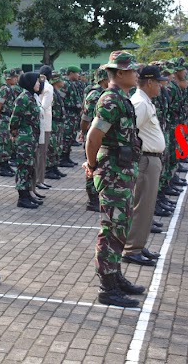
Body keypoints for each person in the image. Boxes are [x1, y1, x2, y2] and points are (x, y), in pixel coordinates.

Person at [83, 51, 144, 307]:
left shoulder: (122, 98)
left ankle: (115, 274)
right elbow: (93, 136)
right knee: (111, 229)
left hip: (122, 171)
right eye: (132, 70)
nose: (137, 74)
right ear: (120, 73)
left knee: (120, 226)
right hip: (113, 172)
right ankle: (107, 288)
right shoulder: (110, 100)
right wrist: (93, 164)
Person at [122, 64, 167, 266]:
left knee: (146, 207)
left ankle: (138, 245)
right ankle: (132, 249)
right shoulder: (139, 103)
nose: (161, 86)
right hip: (146, 160)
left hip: (152, 159)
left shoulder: (145, 101)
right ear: (149, 82)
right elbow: (130, 132)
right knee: (141, 206)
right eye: (158, 82)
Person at [9, 72, 42, 209]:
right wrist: (14, 132)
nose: (39, 84)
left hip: (31, 138)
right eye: (36, 81)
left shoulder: (31, 97)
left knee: (29, 167)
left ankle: (27, 194)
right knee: (23, 167)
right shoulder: (23, 98)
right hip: (24, 138)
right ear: (29, 83)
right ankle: (22, 197)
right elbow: (14, 118)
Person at [80, 66, 109, 211]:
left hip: (104, 136)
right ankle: (92, 200)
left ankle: (99, 196)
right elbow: (85, 118)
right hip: (94, 135)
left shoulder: (108, 94)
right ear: (104, 79)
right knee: (92, 168)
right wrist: (83, 132)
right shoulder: (94, 95)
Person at [0, 69, 18, 177]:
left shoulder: (10, 89)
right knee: (3, 143)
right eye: (15, 77)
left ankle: (6, 164)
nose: (16, 79)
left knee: (8, 143)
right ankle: (2, 167)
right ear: (9, 78)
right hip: (4, 118)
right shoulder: (4, 89)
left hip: (9, 118)